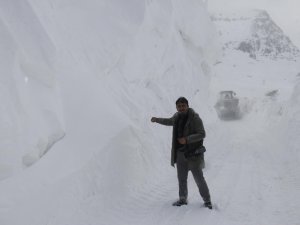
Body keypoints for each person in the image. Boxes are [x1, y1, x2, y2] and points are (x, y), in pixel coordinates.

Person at [151, 97, 212, 209]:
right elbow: (169, 121)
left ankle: (207, 201)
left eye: (183, 105)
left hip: (193, 154)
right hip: (180, 154)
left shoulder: (195, 118)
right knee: (181, 178)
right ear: (176, 107)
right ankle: (182, 199)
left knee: (199, 179)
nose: (181, 108)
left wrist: (187, 139)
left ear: (187, 106)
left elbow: (202, 134)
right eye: (179, 106)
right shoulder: (177, 116)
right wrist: (157, 119)